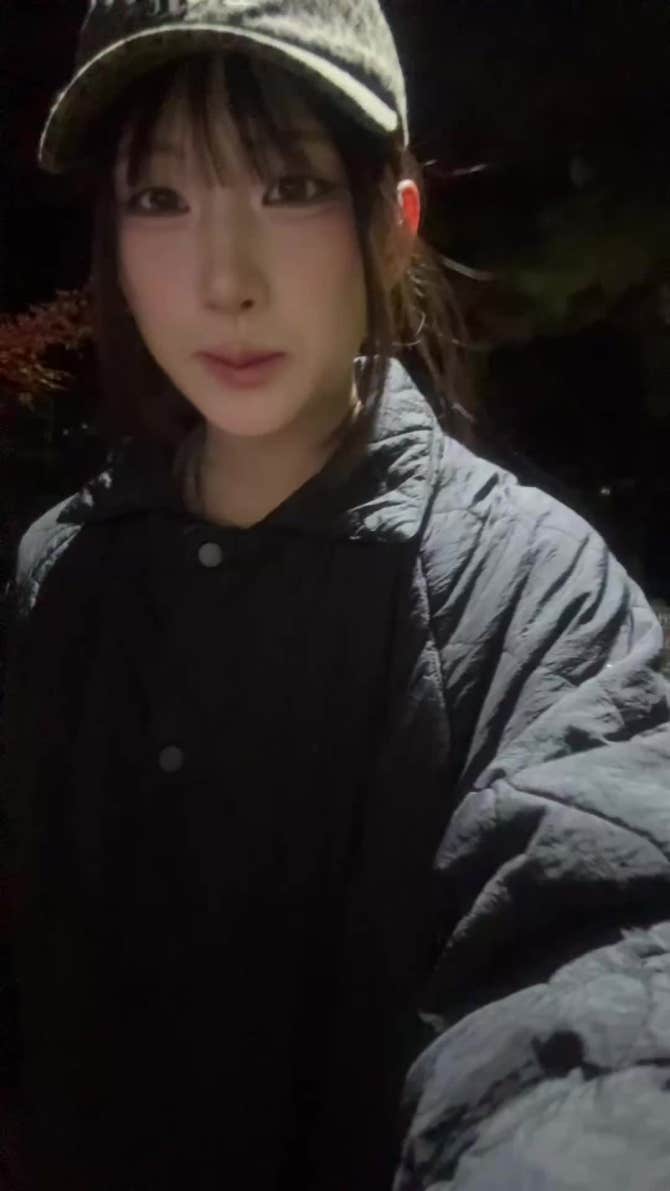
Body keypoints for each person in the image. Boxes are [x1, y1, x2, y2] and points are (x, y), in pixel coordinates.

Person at [2, 1, 670, 1188]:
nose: (225, 281)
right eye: (161, 198)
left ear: (393, 223)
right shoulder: (59, 574)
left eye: (290, 187)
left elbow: (601, 962)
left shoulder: (535, 595)